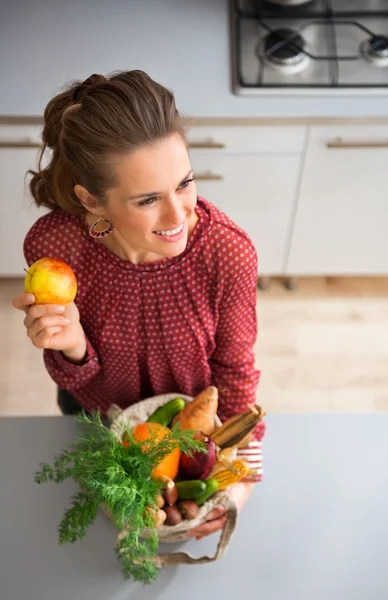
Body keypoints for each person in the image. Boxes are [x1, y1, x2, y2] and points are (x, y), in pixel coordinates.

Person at [12, 70, 265, 540]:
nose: (179, 216)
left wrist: (241, 481)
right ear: (93, 200)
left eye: (185, 184)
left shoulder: (226, 252)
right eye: (148, 199)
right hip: (100, 419)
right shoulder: (55, 248)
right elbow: (79, 384)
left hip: (192, 429)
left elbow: (236, 375)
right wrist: (72, 345)